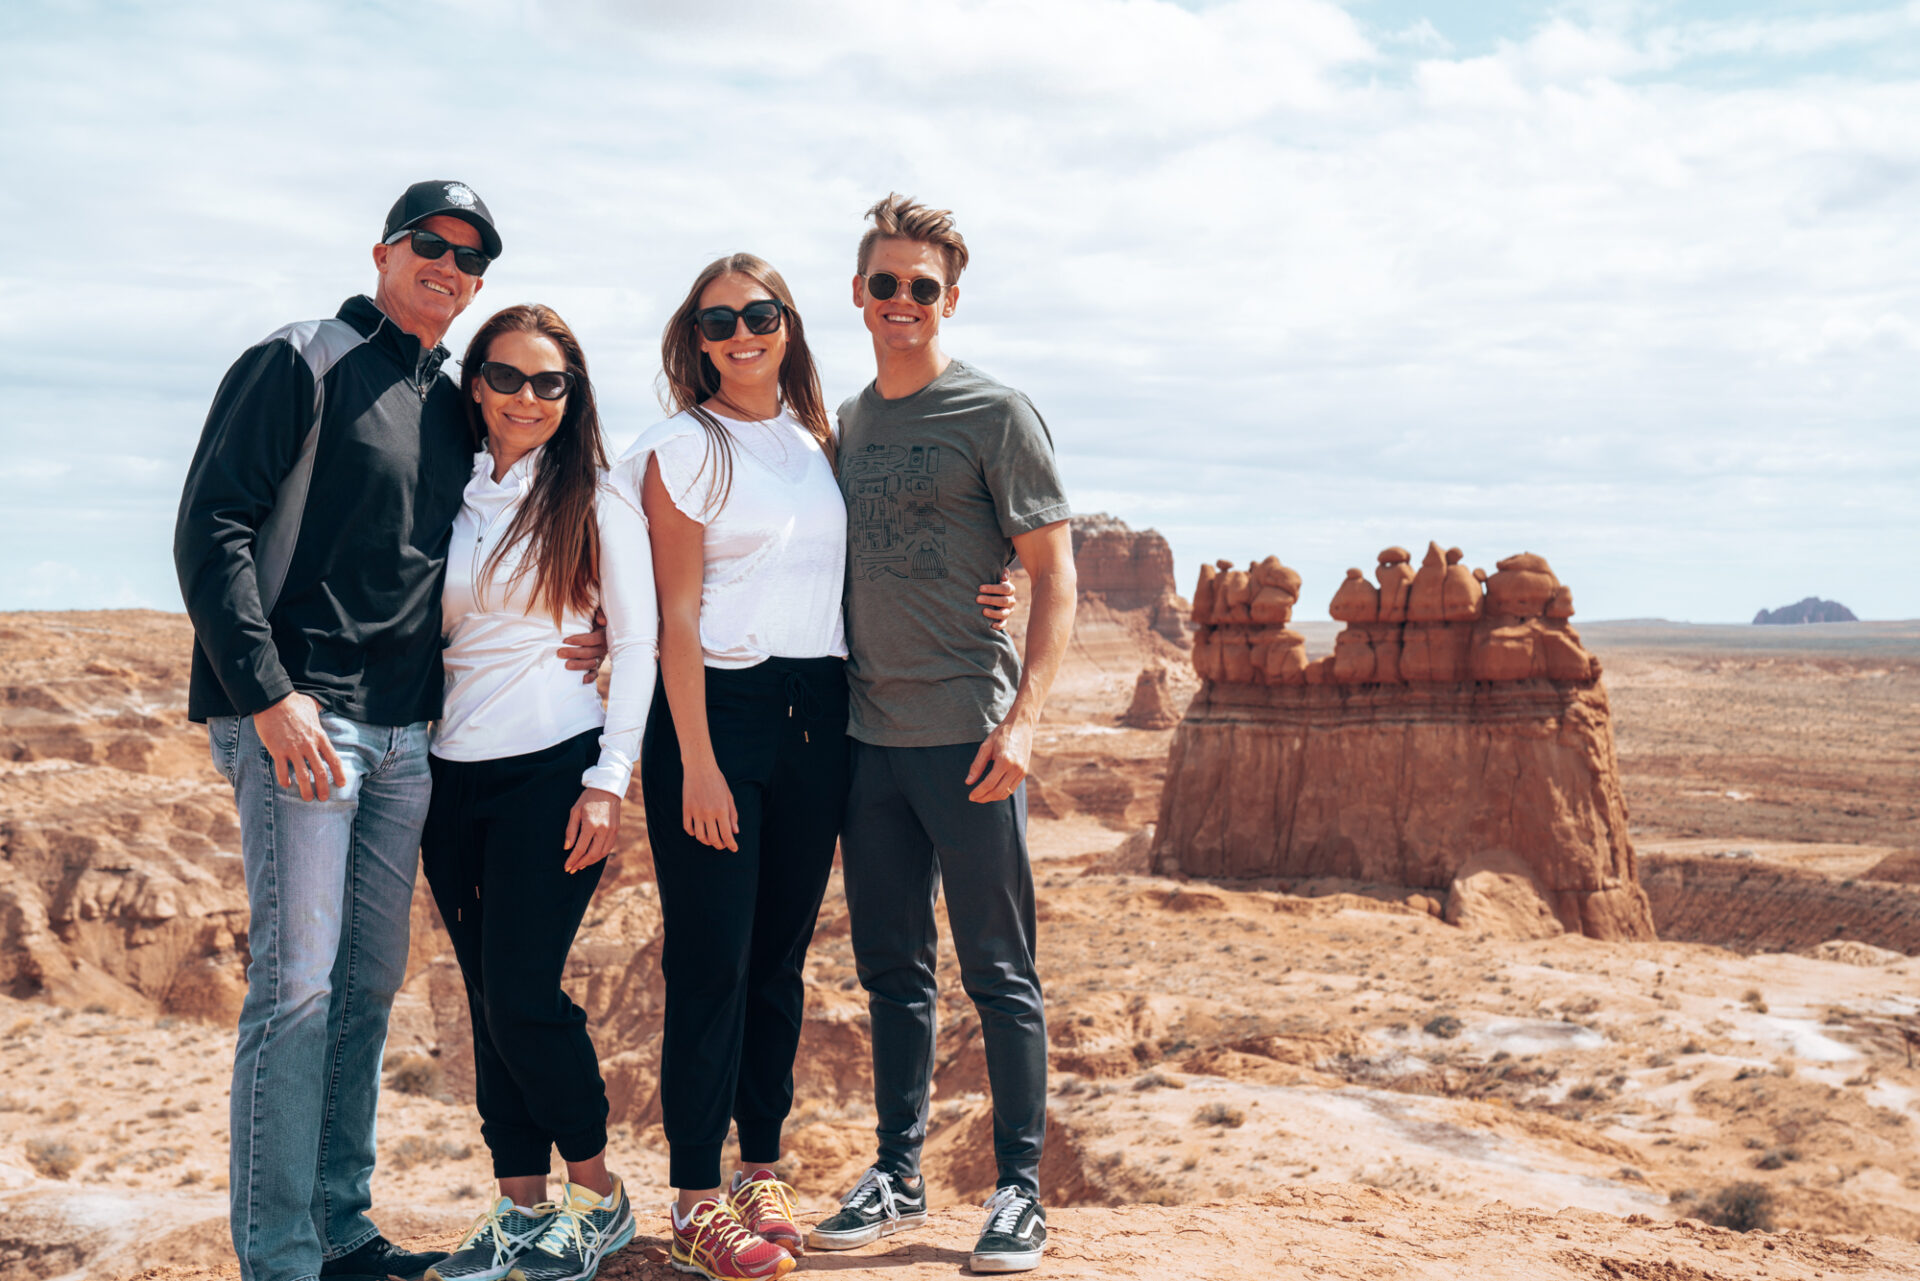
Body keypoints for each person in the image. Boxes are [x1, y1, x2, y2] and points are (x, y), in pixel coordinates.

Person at [174, 182, 605, 1281]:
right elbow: (210, 524)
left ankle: (341, 1231)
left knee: (366, 989)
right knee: (299, 990)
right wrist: (267, 693)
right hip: (302, 725)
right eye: (431, 244)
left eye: (470, 258)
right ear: (385, 249)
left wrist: (592, 631)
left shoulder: (454, 399)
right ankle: (279, 1257)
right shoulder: (301, 360)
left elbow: (498, 543)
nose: (448, 267)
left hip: (409, 734)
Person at [623, 255, 1015, 1281]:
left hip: (822, 716)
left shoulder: (817, 441)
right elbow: (671, 616)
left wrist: (996, 587)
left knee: (777, 964)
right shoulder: (683, 447)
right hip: (720, 717)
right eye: (718, 321)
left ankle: (761, 1169)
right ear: (695, 339)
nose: (740, 334)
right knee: (708, 963)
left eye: (759, 314)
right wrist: (696, 762)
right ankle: (698, 1201)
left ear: (789, 324)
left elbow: (897, 550)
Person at [807, 195, 1075, 1275]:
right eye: (887, 283)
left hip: (968, 735)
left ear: (949, 299)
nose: (904, 301)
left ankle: (1019, 1191)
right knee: (891, 971)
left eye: (924, 286)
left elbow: (1055, 577)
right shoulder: (853, 423)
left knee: (999, 971)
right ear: (860, 295)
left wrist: (1026, 723)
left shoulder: (997, 413)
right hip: (868, 740)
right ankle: (899, 1174)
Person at [416, 304, 652, 1281]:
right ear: (475, 385)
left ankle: (599, 1197)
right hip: (448, 776)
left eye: (548, 382)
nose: (526, 397)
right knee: (484, 996)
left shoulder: (596, 499)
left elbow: (636, 642)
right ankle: (520, 1206)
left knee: (521, 993)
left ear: (572, 394)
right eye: (507, 378)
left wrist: (609, 781)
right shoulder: (452, 497)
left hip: (554, 765)